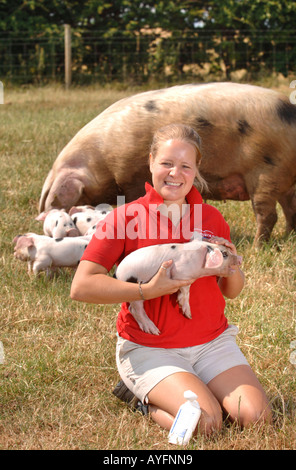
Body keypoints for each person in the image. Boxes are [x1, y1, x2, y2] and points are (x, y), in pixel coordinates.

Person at [70, 123, 272, 435]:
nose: (174, 173)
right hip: (152, 348)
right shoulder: (124, 217)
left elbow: (232, 292)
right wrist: (147, 290)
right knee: (205, 424)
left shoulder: (211, 218)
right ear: (150, 161)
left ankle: (192, 385)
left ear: (196, 169)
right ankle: (143, 399)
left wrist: (231, 269)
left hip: (211, 343)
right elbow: (82, 286)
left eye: (184, 165)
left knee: (256, 418)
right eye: (166, 163)